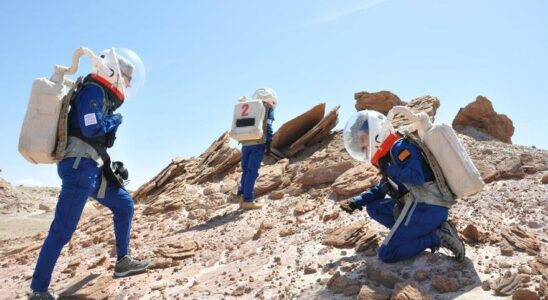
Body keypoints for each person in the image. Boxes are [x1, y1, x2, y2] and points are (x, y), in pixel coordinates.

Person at [29, 48, 149, 300]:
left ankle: (123, 261)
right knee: (62, 230)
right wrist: (115, 120)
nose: (127, 84)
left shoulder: (100, 92)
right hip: (79, 168)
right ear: (115, 73)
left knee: (124, 204)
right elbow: (92, 127)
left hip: (90, 168)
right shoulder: (94, 90)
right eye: (127, 78)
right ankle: (38, 290)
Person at [339, 110, 465, 263]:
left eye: (363, 139)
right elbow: (381, 189)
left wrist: (389, 168)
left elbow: (416, 177)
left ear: (376, 135)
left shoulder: (399, 148)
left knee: (387, 254)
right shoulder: (388, 156)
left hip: (428, 208)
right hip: (417, 207)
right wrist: (356, 201)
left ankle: (435, 237)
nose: (362, 146)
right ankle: (415, 233)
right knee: (374, 207)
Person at [237, 87, 276, 210]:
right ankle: (248, 200)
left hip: (245, 143)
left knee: (246, 170)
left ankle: (242, 198)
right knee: (252, 171)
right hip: (258, 142)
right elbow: (268, 126)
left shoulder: (250, 107)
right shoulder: (267, 108)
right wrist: (269, 142)